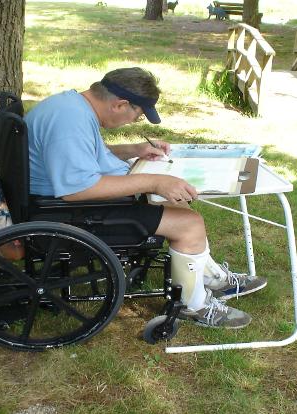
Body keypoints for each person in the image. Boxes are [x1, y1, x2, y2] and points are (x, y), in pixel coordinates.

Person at [25, 67, 267, 329]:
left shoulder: (71, 107)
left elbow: (84, 155)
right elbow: (78, 190)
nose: (133, 122)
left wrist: (134, 150)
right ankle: (194, 305)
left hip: (61, 205)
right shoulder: (69, 121)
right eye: (137, 115)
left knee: (178, 206)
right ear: (121, 104)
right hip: (65, 214)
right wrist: (154, 181)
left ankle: (207, 276)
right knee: (189, 223)